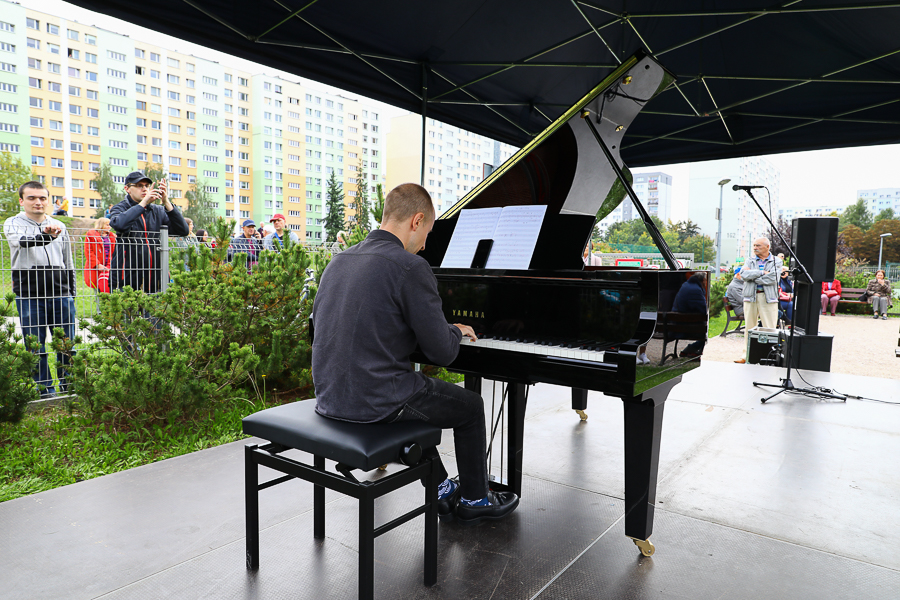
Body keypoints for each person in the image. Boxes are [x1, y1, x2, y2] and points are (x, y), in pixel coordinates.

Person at [311, 183, 519, 524]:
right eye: (427, 234)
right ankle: (476, 500)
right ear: (416, 220)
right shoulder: (410, 266)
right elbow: (443, 352)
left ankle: (442, 490)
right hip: (376, 401)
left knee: (418, 400)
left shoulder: (339, 261)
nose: (424, 245)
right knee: (470, 406)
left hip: (330, 397)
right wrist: (452, 329)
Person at [3, 181, 77, 398]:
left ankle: (70, 387)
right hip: (29, 293)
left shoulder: (59, 225)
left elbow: (68, 261)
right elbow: (20, 242)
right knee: (35, 346)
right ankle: (45, 391)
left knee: (67, 344)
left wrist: (71, 292)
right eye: (32, 198)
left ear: (48, 200)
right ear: (21, 200)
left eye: (42, 198)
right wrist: (46, 236)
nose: (38, 202)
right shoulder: (12, 223)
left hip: (60, 292)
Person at [108, 171, 190, 292]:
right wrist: (143, 203)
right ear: (127, 189)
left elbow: (183, 230)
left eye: (146, 186)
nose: (144, 189)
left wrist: (166, 202)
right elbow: (119, 224)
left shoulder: (158, 211)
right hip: (127, 281)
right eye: (139, 185)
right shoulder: (120, 208)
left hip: (155, 280)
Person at [741, 237, 781, 330]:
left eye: (758, 245)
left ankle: (768, 345)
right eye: (754, 245)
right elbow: (743, 274)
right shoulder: (749, 260)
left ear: (767, 247)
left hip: (768, 297)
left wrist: (752, 277)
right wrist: (762, 272)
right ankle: (748, 345)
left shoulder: (776, 261)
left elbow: (773, 278)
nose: (755, 248)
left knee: (769, 328)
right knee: (749, 329)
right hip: (750, 297)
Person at [84, 217, 116, 294]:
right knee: (98, 290)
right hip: (96, 266)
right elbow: (89, 252)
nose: (109, 227)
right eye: (107, 225)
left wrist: (109, 266)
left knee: (109, 289)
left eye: (110, 225)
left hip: (108, 265)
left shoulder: (112, 237)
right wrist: (97, 264)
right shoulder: (91, 235)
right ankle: (99, 305)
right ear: (101, 225)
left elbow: (113, 253)